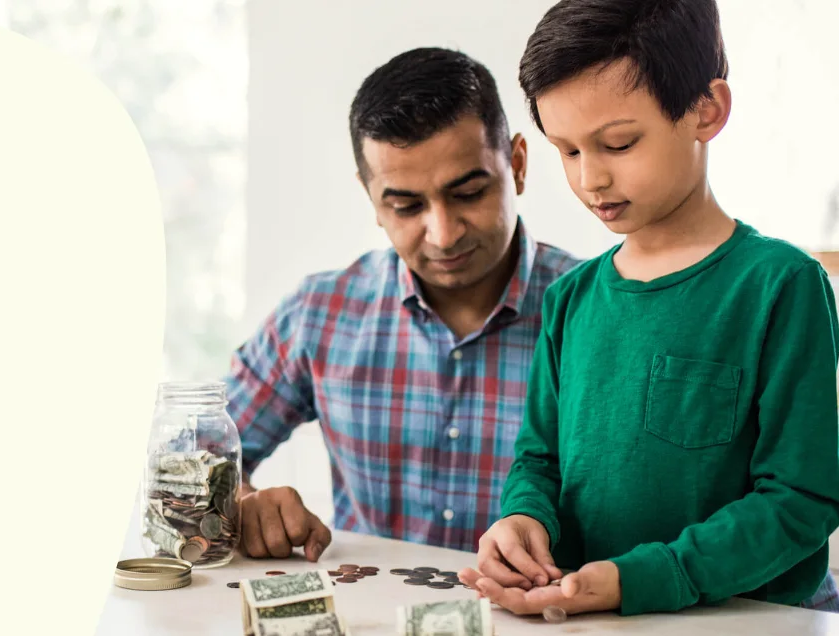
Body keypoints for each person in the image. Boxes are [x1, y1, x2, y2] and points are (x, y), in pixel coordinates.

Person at [458, 0, 839, 616]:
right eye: (569, 151)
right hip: (588, 616)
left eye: (618, 144)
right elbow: (539, 460)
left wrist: (642, 577)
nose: (590, 180)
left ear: (705, 111)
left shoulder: (781, 284)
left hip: (752, 620)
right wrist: (524, 517)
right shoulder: (570, 299)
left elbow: (801, 499)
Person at [225, 47, 581, 562]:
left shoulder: (593, 312)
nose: (443, 232)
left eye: (469, 193)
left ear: (518, 165)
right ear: (371, 199)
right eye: (406, 205)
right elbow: (195, 456)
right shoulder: (318, 314)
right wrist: (244, 502)